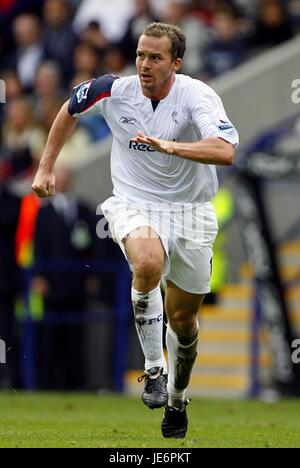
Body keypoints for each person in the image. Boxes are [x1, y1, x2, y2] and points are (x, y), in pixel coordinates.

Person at [32, 22, 239, 438]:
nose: (144, 64)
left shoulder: (197, 95)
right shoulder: (114, 89)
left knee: (183, 324)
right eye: (141, 55)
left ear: (176, 63)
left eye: (155, 57)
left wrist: (172, 146)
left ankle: (178, 400)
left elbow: (225, 150)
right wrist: (46, 165)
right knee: (146, 263)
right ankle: (153, 370)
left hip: (191, 212)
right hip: (135, 202)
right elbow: (68, 109)